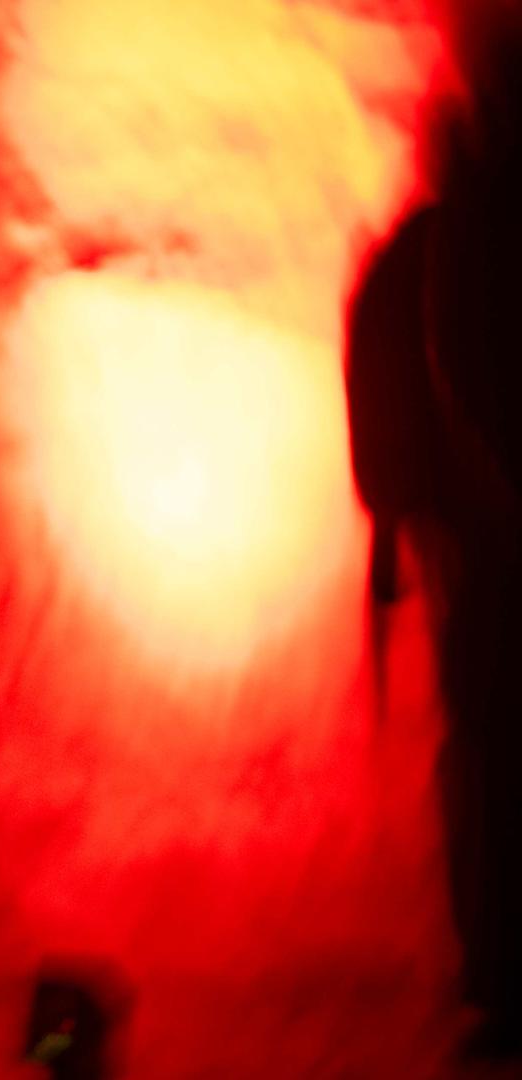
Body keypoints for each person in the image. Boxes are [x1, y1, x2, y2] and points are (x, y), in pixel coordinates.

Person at [345, 14, 522, 1062]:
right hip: (484, 564)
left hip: (480, 558)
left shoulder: (434, 250)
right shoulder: (431, 252)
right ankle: (501, 969)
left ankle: (502, 969)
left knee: (493, 760)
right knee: (493, 760)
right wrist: (396, 522)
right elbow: (391, 387)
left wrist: (393, 524)